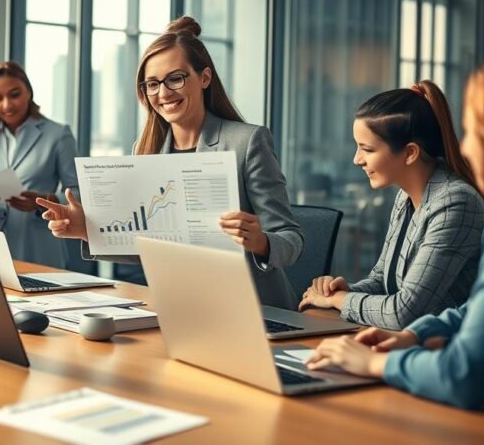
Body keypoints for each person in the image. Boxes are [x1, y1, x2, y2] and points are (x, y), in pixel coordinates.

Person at [307, 51, 484, 410]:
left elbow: (464, 376)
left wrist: (374, 362)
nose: (468, 147)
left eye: (477, 131)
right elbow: (478, 306)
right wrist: (416, 334)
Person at [38, 16, 305, 309]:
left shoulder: (247, 141)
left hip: (253, 308)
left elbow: (291, 240)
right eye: (152, 84)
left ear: (204, 78)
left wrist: (260, 242)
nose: (163, 93)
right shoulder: (146, 150)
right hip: (180, 305)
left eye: (175, 78)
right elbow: (146, 246)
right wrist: (87, 229)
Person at [298, 81, 484, 329]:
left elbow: (405, 312)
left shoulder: (456, 203)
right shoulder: (405, 197)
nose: (357, 160)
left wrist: (342, 300)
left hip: (441, 351)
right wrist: (341, 291)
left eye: (367, 149)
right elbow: (382, 279)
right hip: (402, 342)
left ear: (410, 153)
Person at [0, 62, 79, 268]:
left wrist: (44, 201)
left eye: (14, 94)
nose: (7, 105)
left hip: (36, 246)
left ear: (28, 93)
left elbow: (77, 193)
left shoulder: (58, 135)